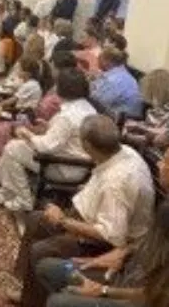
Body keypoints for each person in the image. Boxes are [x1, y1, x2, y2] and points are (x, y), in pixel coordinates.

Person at [37, 141, 169, 306]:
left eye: (165, 160)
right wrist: (124, 251)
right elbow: (150, 241)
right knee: (48, 268)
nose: (159, 164)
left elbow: (161, 296)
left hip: (140, 298)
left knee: (59, 302)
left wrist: (104, 291)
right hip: (126, 275)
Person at [10, 115, 155, 306]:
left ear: (86, 144)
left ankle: (32, 301)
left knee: (42, 250)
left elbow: (111, 235)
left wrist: (63, 221)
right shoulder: (123, 151)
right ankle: (26, 290)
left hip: (107, 244)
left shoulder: (117, 183)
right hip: (92, 218)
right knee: (36, 219)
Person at [0, 68, 97, 212]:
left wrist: (27, 134)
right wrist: (49, 126)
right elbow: (67, 135)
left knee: (12, 148)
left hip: (64, 166)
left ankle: (24, 199)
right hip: (78, 163)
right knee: (16, 146)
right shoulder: (87, 107)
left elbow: (46, 147)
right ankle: (8, 190)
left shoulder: (67, 116)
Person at [0, 51, 77, 180]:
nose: (50, 67)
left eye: (53, 65)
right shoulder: (55, 87)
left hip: (32, 120)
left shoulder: (59, 90)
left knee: (0, 127)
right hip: (33, 117)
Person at [89, 47, 142, 119]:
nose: (97, 61)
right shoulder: (122, 74)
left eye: (99, 59)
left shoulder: (114, 80)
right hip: (121, 116)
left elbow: (96, 102)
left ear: (106, 61)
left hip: (120, 120)